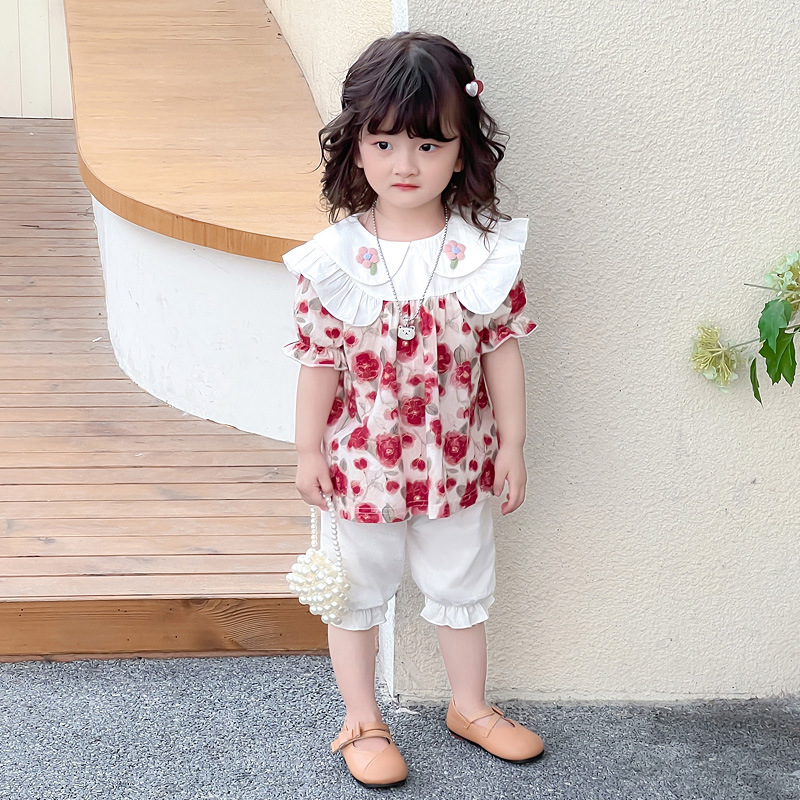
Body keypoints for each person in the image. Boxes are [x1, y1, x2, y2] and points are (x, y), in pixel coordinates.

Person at [282, 31, 543, 788]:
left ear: (461, 152)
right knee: (357, 590)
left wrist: (513, 444)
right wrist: (308, 451)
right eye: (385, 142)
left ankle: (470, 705)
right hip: (361, 466)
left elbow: (501, 351)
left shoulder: (481, 256)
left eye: (429, 145)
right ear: (356, 147)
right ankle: (361, 721)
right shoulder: (335, 261)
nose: (406, 164)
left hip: (458, 463)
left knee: (462, 582)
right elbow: (318, 362)